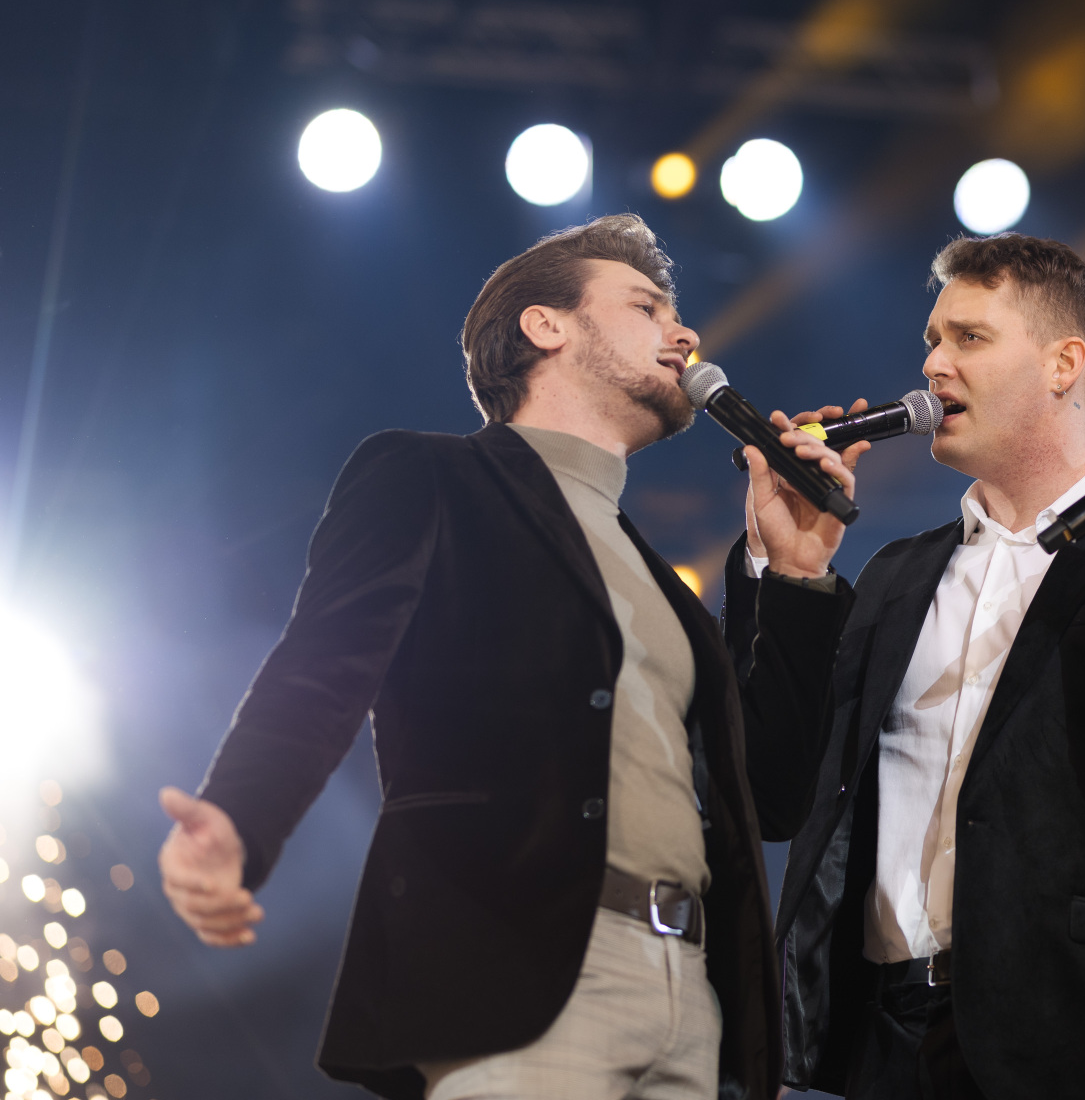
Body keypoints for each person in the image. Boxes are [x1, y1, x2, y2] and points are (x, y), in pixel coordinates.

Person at [155, 215, 857, 1100]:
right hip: (518, 969)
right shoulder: (432, 478)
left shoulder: (664, 588)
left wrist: (793, 576)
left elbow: (771, 797)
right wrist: (240, 817)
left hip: (691, 995)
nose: (684, 334)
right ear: (545, 325)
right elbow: (323, 663)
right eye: (646, 307)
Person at [724, 233, 1085, 1100]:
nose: (934, 365)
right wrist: (791, 572)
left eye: (969, 338)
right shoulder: (896, 573)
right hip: (881, 1041)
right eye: (933, 340)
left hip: (1079, 1038)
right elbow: (778, 794)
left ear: (1063, 364)